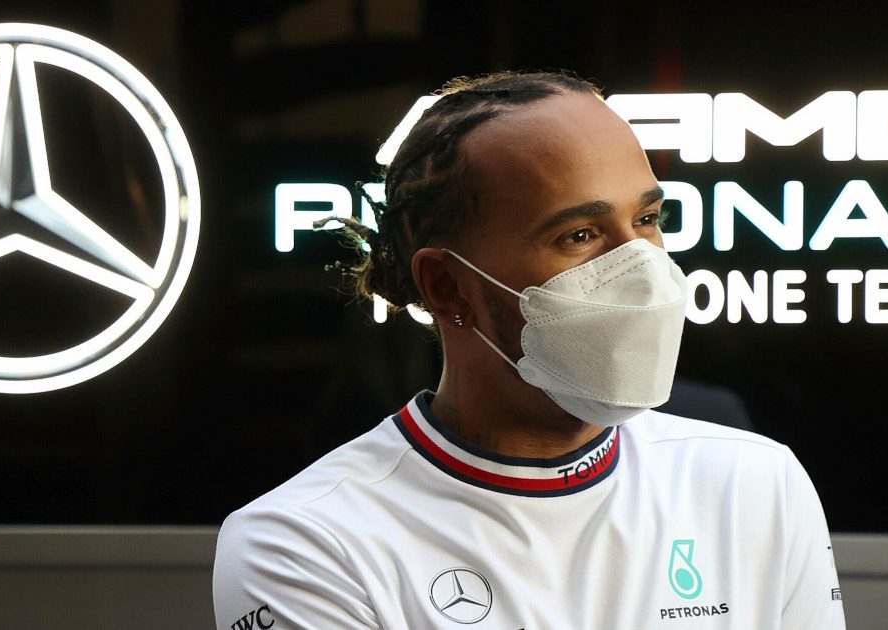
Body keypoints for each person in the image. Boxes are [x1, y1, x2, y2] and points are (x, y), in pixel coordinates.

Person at [213, 70, 845, 630]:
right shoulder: (305, 542)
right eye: (580, 234)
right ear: (447, 286)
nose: (643, 269)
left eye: (648, 220)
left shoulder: (755, 484)